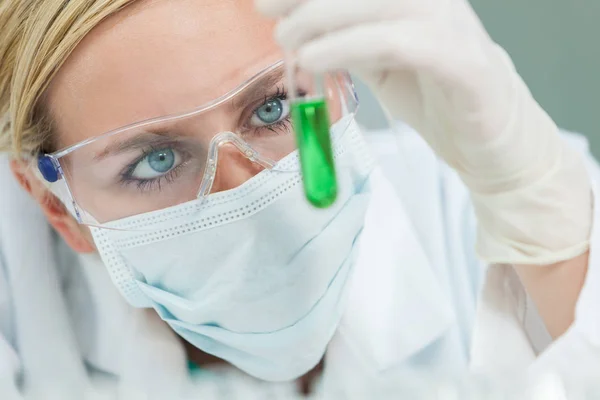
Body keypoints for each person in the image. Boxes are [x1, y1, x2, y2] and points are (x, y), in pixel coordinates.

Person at [0, 0, 599, 398]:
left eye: (272, 108)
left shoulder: (482, 204)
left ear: (337, 82)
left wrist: (549, 235)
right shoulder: (19, 311)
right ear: (59, 208)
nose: (247, 192)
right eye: (155, 161)